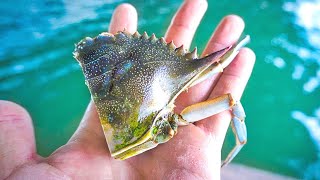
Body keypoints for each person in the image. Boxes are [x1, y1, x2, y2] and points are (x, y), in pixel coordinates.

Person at [0, 0, 255, 179]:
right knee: (227, 95)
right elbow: (218, 68)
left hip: (143, 133)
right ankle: (236, 149)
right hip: (153, 130)